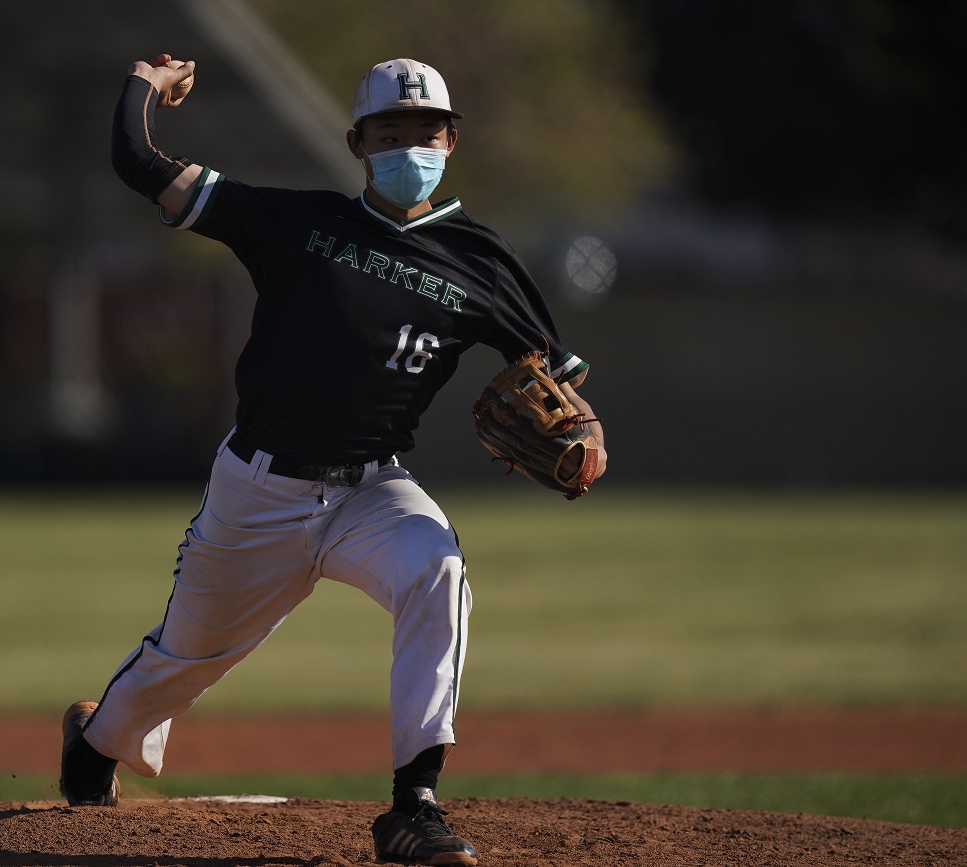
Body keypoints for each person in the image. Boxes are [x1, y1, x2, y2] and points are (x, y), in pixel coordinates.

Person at [59, 55, 605, 865]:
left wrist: (588, 438)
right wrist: (144, 85)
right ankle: (95, 743)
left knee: (437, 568)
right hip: (258, 491)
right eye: (390, 132)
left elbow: (560, 380)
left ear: (451, 140)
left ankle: (413, 805)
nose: (408, 145)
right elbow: (138, 164)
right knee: (185, 662)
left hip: (372, 491)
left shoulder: (481, 262)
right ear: (356, 142)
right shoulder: (294, 223)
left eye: (424, 131)